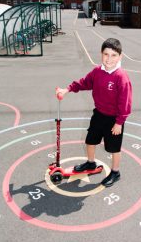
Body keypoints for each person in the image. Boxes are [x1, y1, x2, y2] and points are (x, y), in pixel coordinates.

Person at [56, 38, 132, 187]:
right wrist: (67, 89)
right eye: (106, 54)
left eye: (114, 55)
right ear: (101, 54)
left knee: (113, 148)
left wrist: (119, 123)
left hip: (114, 120)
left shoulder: (121, 77)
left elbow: (126, 104)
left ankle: (116, 172)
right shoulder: (97, 71)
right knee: (90, 140)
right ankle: (91, 164)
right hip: (98, 114)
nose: (109, 58)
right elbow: (84, 82)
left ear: (120, 57)